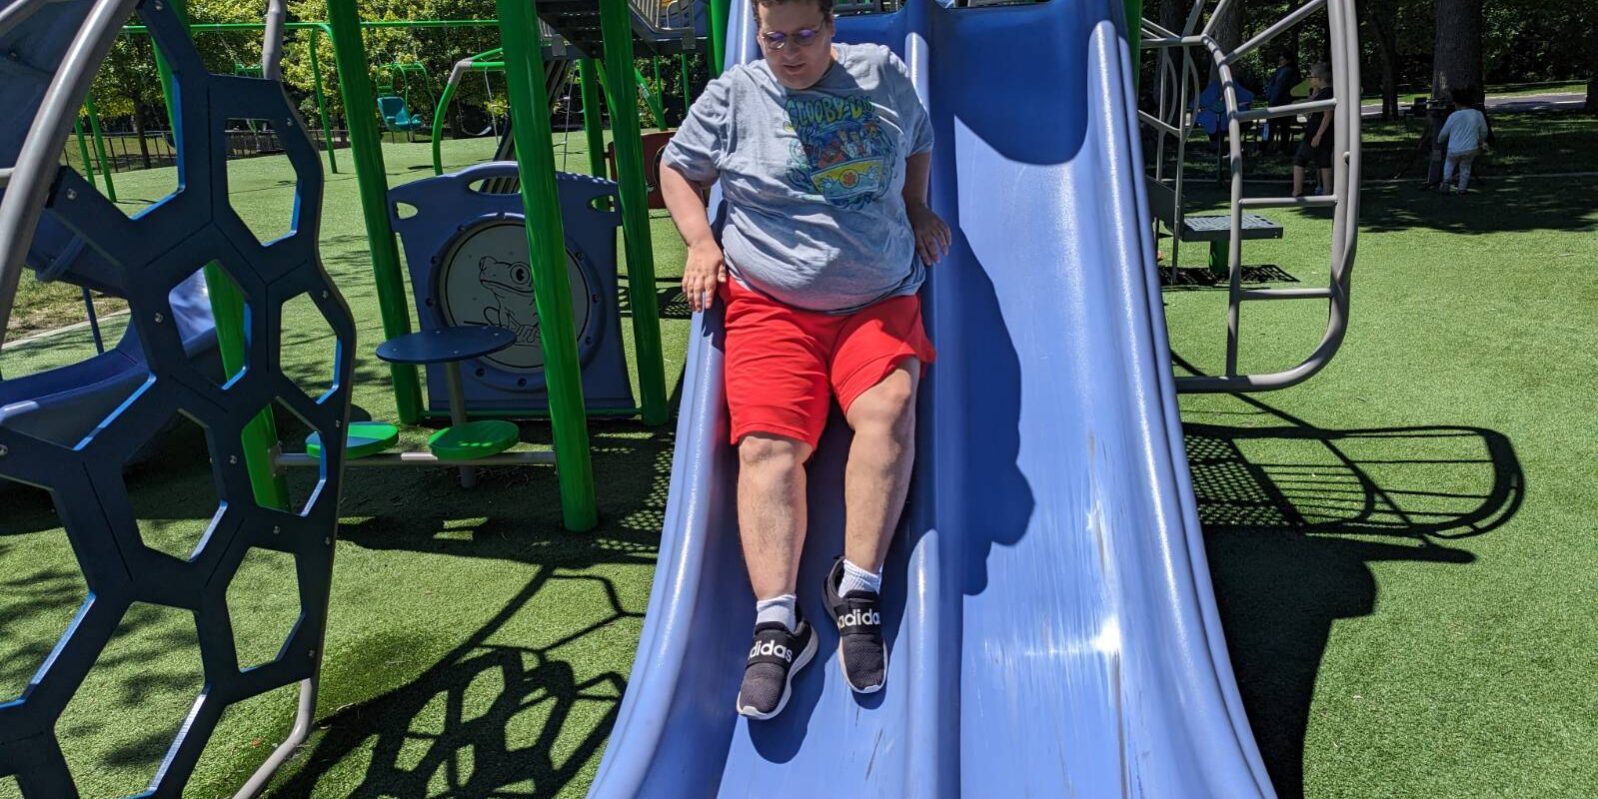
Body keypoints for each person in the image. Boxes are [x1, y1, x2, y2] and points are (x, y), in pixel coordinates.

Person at [657, 0, 951, 720]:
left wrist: (916, 206)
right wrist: (701, 242)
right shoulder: (735, 95)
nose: (788, 51)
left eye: (804, 35)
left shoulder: (880, 75)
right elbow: (676, 168)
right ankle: (778, 623)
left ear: (832, 25)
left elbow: (918, 140)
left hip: (876, 299)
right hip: (772, 305)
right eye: (773, 37)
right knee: (766, 446)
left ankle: (857, 588)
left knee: (889, 409)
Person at [1436, 88, 1492, 195]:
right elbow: (1484, 131)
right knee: (1466, 167)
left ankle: (1446, 180)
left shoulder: (1453, 116)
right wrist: (1481, 140)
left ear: (1457, 103)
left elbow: (1444, 133)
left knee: (1449, 163)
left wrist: (1439, 140)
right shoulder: (1478, 114)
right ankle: (1462, 188)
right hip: (1471, 148)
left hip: (1454, 148)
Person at [1291, 62, 1334, 199]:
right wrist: (1315, 90)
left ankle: (1297, 192)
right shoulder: (1321, 92)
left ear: (1319, 78)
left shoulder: (1327, 93)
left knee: (1300, 159)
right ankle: (1326, 192)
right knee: (1323, 162)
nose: (1309, 79)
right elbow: (1310, 104)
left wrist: (1318, 135)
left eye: (1311, 77)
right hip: (1316, 132)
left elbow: (1328, 115)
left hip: (1317, 133)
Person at [1261, 50, 1301, 153]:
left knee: (1269, 126)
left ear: (1288, 60)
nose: (1280, 61)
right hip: (1287, 103)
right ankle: (1282, 148)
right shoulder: (1294, 71)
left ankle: (1263, 147)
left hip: (1277, 102)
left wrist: (1271, 101)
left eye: (1282, 59)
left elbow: (1279, 86)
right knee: (1284, 127)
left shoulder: (1285, 71)